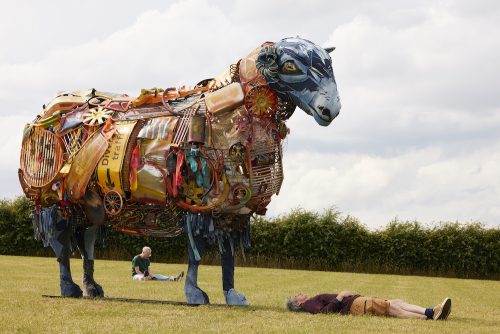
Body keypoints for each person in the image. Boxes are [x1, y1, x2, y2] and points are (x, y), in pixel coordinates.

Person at [285, 291, 451, 320]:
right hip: (354, 305)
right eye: (296, 295)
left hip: (357, 300)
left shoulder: (310, 300)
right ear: (297, 302)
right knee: (390, 308)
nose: (300, 294)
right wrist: (341, 297)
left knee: (396, 302)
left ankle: (429, 311)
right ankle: (429, 316)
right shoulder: (308, 304)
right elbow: (323, 312)